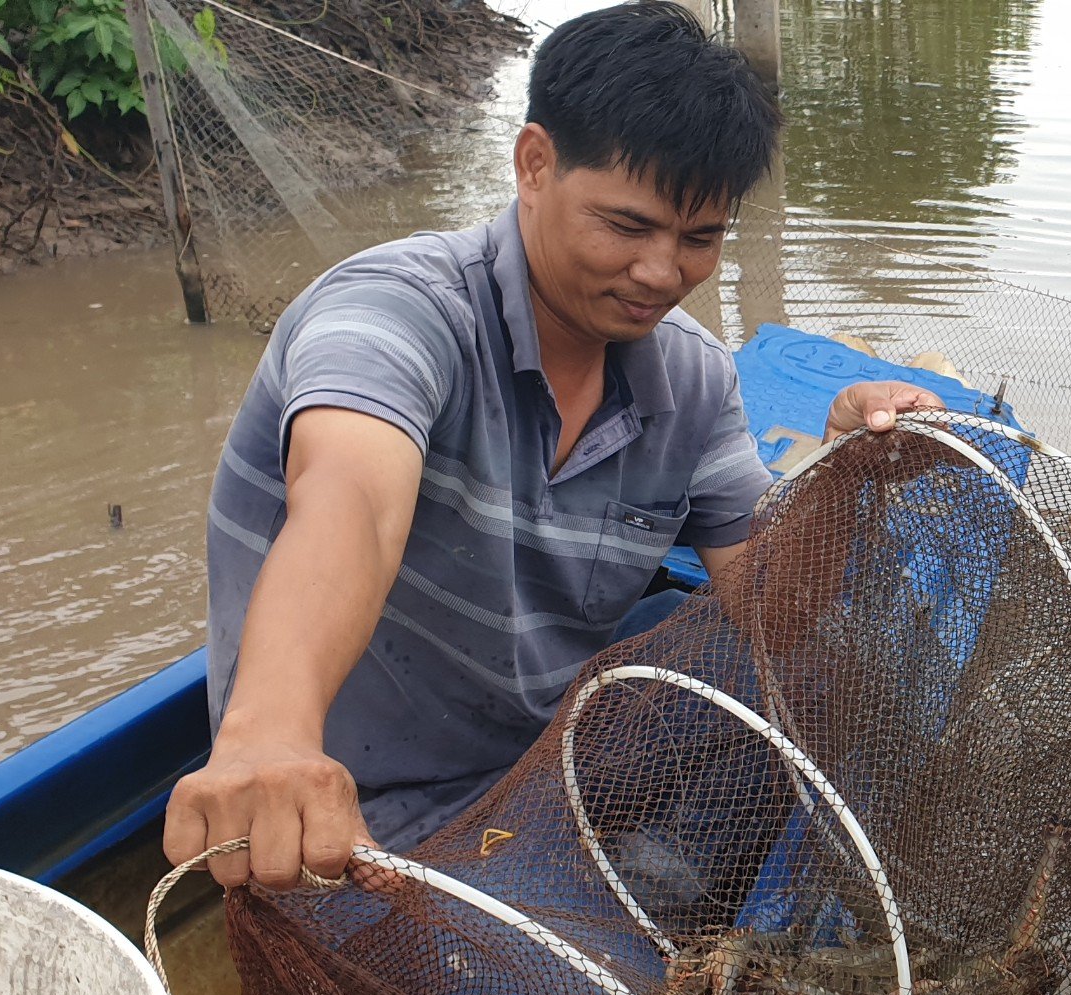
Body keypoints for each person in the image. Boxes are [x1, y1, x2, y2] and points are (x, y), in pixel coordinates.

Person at [165, 3, 933, 889]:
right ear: (534, 164)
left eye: (701, 239)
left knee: (830, 682)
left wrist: (840, 476)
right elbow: (353, 500)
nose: (662, 274)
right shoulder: (394, 310)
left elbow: (774, 615)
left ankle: (630, 888)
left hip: (549, 757)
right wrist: (272, 739)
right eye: (627, 225)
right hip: (362, 808)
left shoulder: (695, 381)